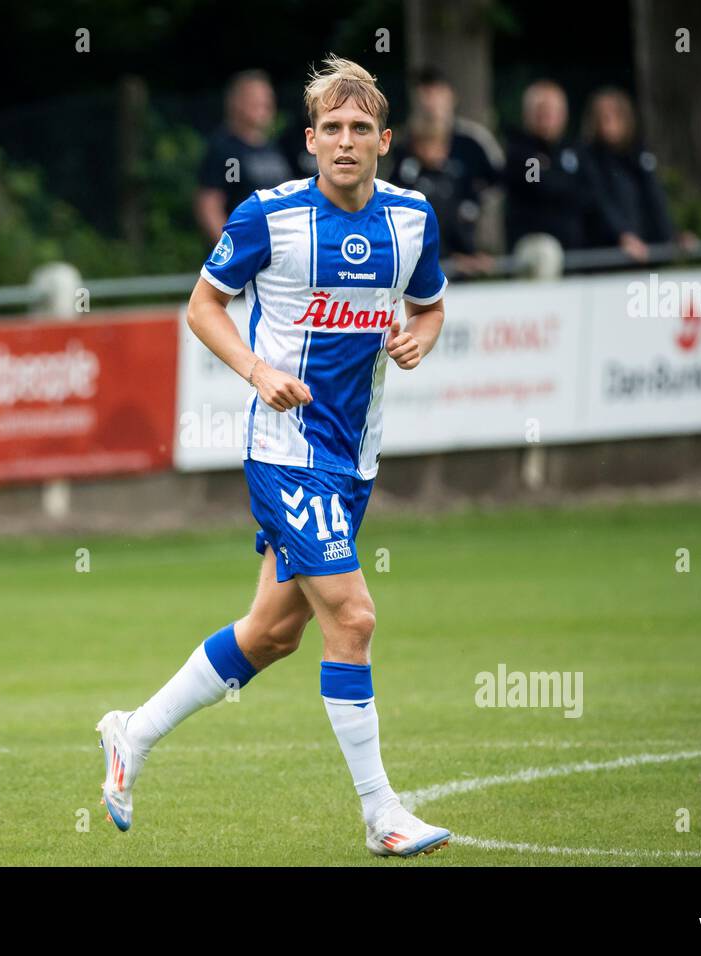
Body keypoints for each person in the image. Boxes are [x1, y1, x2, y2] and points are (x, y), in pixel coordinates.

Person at [97, 56, 453, 858]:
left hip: (353, 458)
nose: (346, 142)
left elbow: (430, 308)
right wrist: (258, 371)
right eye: (332, 129)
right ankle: (381, 813)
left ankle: (132, 732)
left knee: (270, 634)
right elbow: (203, 306)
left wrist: (415, 340)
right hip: (283, 451)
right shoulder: (270, 216)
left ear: (385, 140)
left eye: (362, 129)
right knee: (354, 617)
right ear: (309, 140)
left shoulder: (412, 221)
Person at [386, 67, 501, 259]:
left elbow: (497, 185)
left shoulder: (474, 141)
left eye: (436, 93)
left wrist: (477, 228)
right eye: (425, 94)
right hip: (418, 249)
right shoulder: (400, 144)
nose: (430, 102)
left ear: (451, 97)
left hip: (472, 248)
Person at [581, 87, 685, 261]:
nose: (607, 120)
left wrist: (672, 235)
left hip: (644, 253)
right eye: (601, 115)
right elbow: (599, 202)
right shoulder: (587, 158)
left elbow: (655, 199)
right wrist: (622, 235)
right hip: (607, 255)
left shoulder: (639, 156)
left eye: (614, 114)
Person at [194, 70, 294, 243]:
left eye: (267, 100)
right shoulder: (228, 151)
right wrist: (233, 252)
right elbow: (211, 206)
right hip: (247, 256)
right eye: (256, 101)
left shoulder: (273, 148)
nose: (265, 106)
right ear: (236, 103)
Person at [390, 110, 493, 274]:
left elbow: (457, 222)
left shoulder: (452, 177)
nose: (438, 151)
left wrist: (470, 253)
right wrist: (449, 258)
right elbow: (415, 228)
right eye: (430, 144)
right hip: (419, 262)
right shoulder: (407, 181)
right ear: (416, 146)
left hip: (453, 261)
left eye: (442, 144)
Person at [504, 80, 600, 252]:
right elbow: (537, 185)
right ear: (527, 113)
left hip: (575, 247)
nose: (547, 115)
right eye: (541, 109)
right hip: (534, 245)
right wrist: (566, 180)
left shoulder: (575, 150)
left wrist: (550, 172)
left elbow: (591, 193)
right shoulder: (521, 151)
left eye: (554, 110)